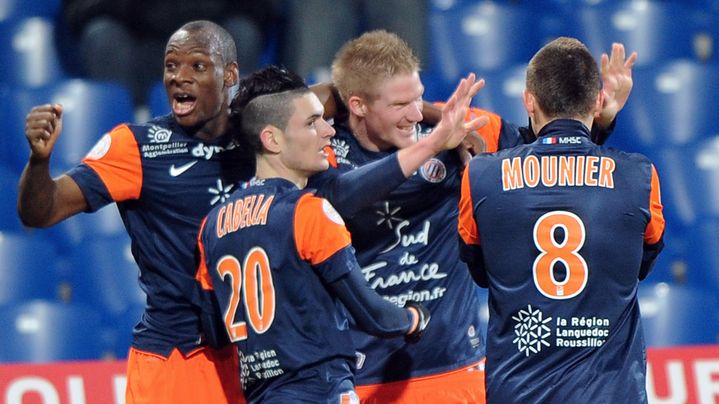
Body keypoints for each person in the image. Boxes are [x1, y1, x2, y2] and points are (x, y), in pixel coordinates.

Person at [309, 30, 636, 403]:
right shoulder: (324, 146)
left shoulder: (455, 124)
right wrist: (432, 144)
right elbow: (338, 197)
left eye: (418, 99)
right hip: (360, 373)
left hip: (455, 368)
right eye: (400, 104)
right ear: (358, 105)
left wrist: (602, 119)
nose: (416, 114)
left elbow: (552, 158)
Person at [19, 20, 248, 404]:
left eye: (197, 66)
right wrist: (39, 163)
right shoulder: (136, 146)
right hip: (175, 360)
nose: (180, 77)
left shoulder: (262, 139)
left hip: (258, 357)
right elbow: (42, 212)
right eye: (171, 66)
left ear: (230, 75)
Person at [196, 65, 432, 403]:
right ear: (272, 139)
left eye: (323, 119)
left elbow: (215, 330)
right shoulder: (308, 211)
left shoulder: (212, 225)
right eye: (311, 123)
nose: (328, 132)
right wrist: (414, 318)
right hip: (319, 388)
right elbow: (374, 317)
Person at [457, 37, 665, 403]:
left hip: (518, 390)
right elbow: (641, 263)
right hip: (611, 392)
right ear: (599, 101)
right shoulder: (640, 176)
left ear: (528, 101)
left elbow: (479, 269)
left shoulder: (480, 176)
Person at [62, 0, 273, 106]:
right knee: (103, 35)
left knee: (242, 33)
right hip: (138, 46)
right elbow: (81, 7)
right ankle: (122, 139)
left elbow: (261, 7)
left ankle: (232, 133)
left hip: (208, 43)